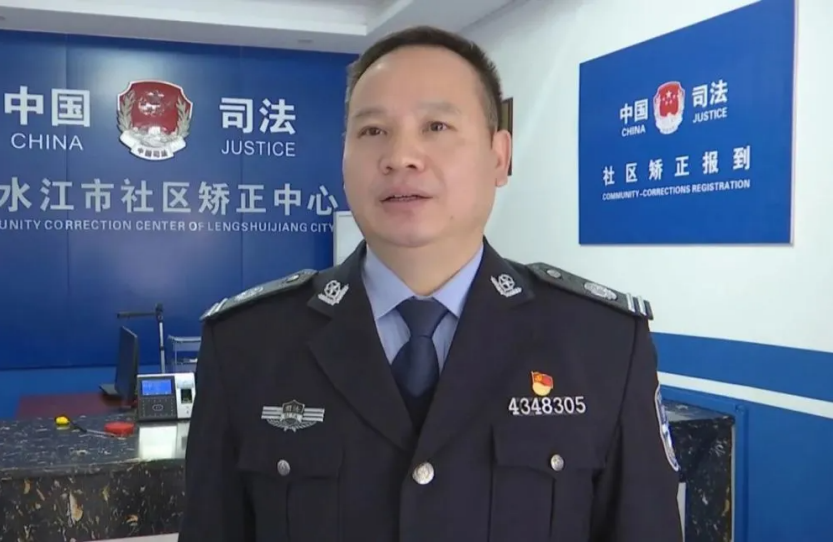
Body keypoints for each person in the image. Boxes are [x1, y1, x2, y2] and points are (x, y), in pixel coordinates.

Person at [178, 25, 683, 542]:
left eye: (436, 126)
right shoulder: (246, 345)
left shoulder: (602, 344)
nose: (401, 156)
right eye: (373, 131)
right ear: (344, 156)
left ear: (499, 156)